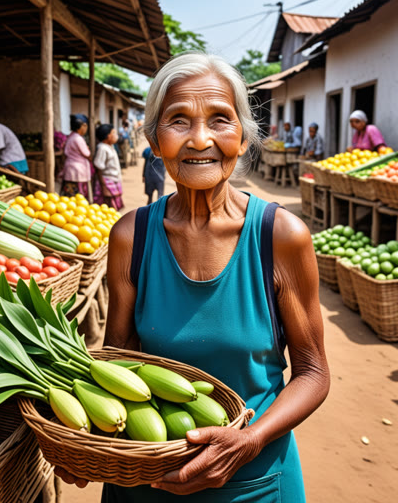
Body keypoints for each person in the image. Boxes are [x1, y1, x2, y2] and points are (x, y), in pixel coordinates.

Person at [57, 52, 329, 501]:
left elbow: (314, 372)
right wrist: (83, 434)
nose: (200, 139)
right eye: (179, 121)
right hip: (146, 475)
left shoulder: (280, 236)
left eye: (220, 119)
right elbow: (118, 354)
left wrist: (249, 441)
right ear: (153, 140)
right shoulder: (132, 235)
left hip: (253, 480)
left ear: (242, 138)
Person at [59, 114, 92, 199]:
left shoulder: (71, 136)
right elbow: (87, 154)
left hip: (71, 169)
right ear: (82, 126)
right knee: (77, 197)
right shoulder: (78, 139)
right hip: (77, 171)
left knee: (69, 196)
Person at [93, 124, 124, 210]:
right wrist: (103, 187)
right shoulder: (102, 148)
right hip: (107, 182)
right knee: (108, 207)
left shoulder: (110, 146)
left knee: (115, 207)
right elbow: (99, 168)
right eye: (114, 133)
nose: (116, 135)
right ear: (108, 136)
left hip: (114, 180)